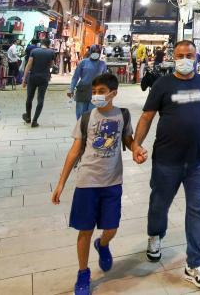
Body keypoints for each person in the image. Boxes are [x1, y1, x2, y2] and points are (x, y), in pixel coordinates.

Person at [134, 39, 200, 289]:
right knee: (159, 203)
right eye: (180, 54)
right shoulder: (162, 84)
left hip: (199, 159)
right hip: (166, 159)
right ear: (173, 56)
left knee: (198, 210)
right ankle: (155, 235)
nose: (184, 58)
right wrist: (136, 144)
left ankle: (195, 263)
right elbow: (147, 117)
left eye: (189, 54)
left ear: (197, 56)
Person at [52, 73, 148, 295]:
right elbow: (74, 151)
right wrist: (61, 184)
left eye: (101, 92)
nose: (97, 95)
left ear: (113, 93)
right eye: (94, 92)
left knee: (111, 227)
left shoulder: (122, 115)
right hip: (87, 182)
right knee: (85, 230)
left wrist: (137, 149)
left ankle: (103, 244)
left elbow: (128, 140)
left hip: (113, 181)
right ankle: (83, 273)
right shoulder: (86, 117)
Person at [23, 42, 57, 127]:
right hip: (44, 78)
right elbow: (52, 65)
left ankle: (28, 117)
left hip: (33, 77)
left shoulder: (34, 51)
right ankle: (35, 121)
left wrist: (24, 79)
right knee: (40, 99)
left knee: (29, 98)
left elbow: (29, 65)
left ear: (41, 44)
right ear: (48, 44)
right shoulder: (51, 52)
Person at [70, 45, 109, 119]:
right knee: (81, 114)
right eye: (94, 52)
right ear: (90, 52)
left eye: (98, 52)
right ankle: (80, 129)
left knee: (92, 115)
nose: (96, 54)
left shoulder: (102, 64)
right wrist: (71, 89)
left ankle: (89, 129)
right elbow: (75, 77)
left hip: (96, 92)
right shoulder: (83, 62)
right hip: (83, 90)